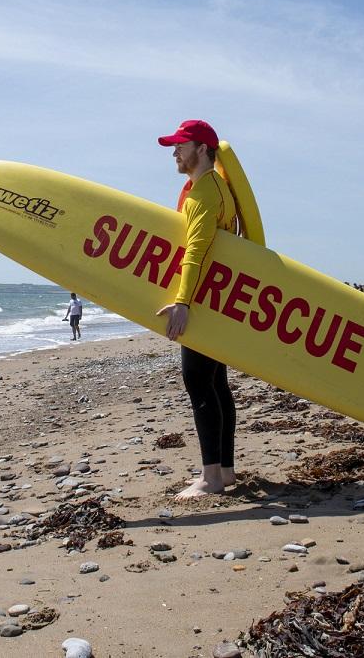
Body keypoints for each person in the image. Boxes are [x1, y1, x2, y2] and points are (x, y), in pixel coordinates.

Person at [155, 119, 240, 500]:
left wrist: (183, 302)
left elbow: (198, 248)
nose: (174, 151)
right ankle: (225, 470)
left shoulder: (206, 192)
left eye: (180, 145)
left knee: (198, 380)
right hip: (215, 300)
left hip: (205, 300)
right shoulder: (206, 187)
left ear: (202, 149)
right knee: (216, 382)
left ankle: (211, 480)